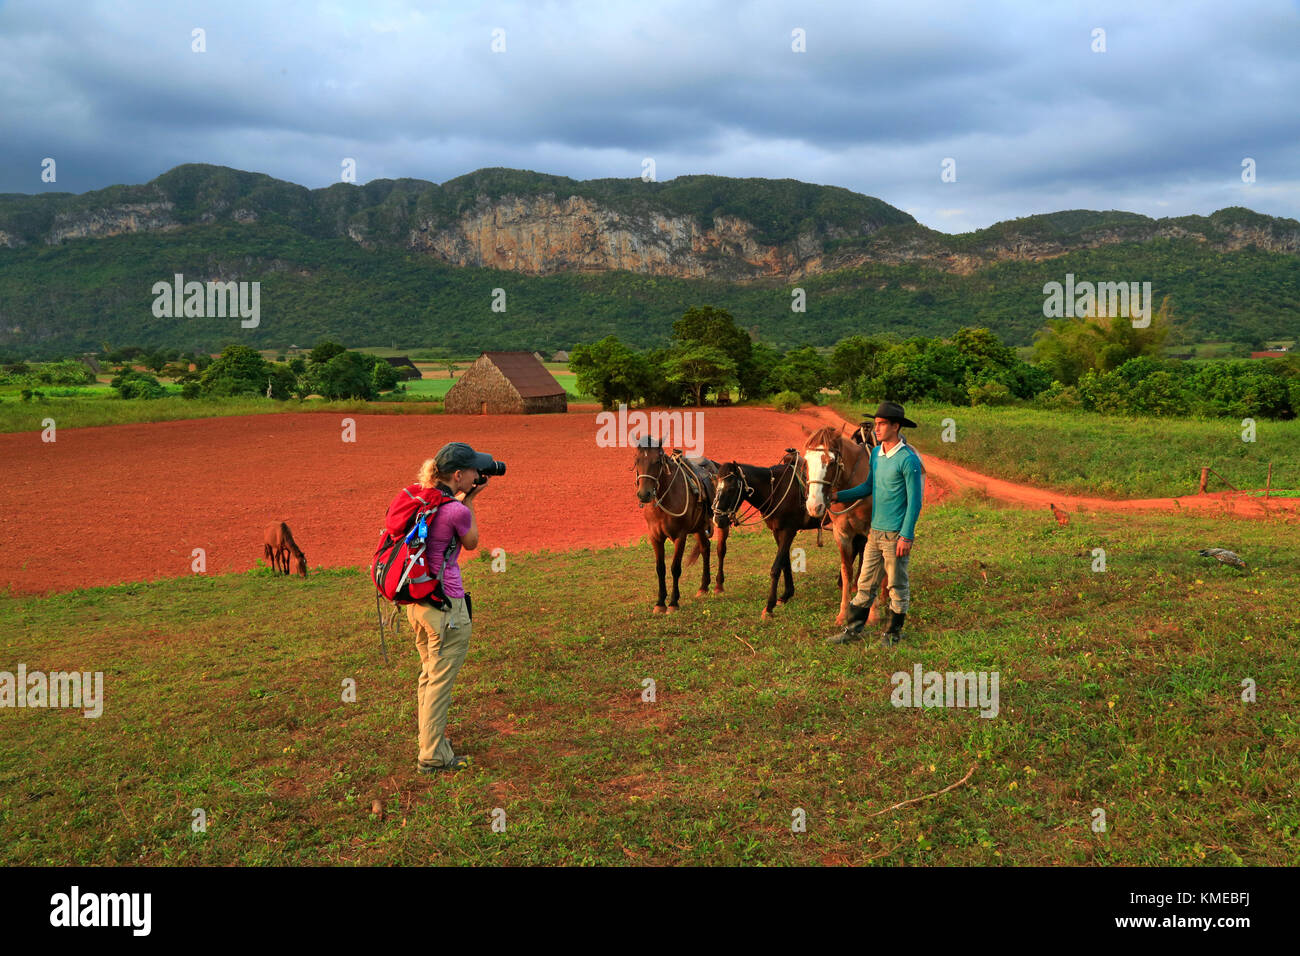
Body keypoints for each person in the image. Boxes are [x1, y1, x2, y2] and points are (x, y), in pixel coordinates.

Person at [407, 441, 490, 773]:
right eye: (472, 471)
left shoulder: (421, 500)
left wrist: (464, 498)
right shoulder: (455, 509)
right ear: (458, 475)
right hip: (445, 607)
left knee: (429, 676)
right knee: (440, 681)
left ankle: (431, 742)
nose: (477, 475)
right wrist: (469, 503)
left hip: (417, 602)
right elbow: (472, 542)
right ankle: (432, 756)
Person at [826, 402, 924, 646]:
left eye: (881, 424)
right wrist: (839, 496)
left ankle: (893, 634)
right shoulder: (878, 456)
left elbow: (915, 503)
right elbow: (867, 487)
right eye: (877, 423)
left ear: (895, 426)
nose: (876, 428)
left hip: (895, 535)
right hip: (875, 532)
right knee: (864, 583)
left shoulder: (908, 459)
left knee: (896, 584)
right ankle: (853, 630)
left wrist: (907, 536)